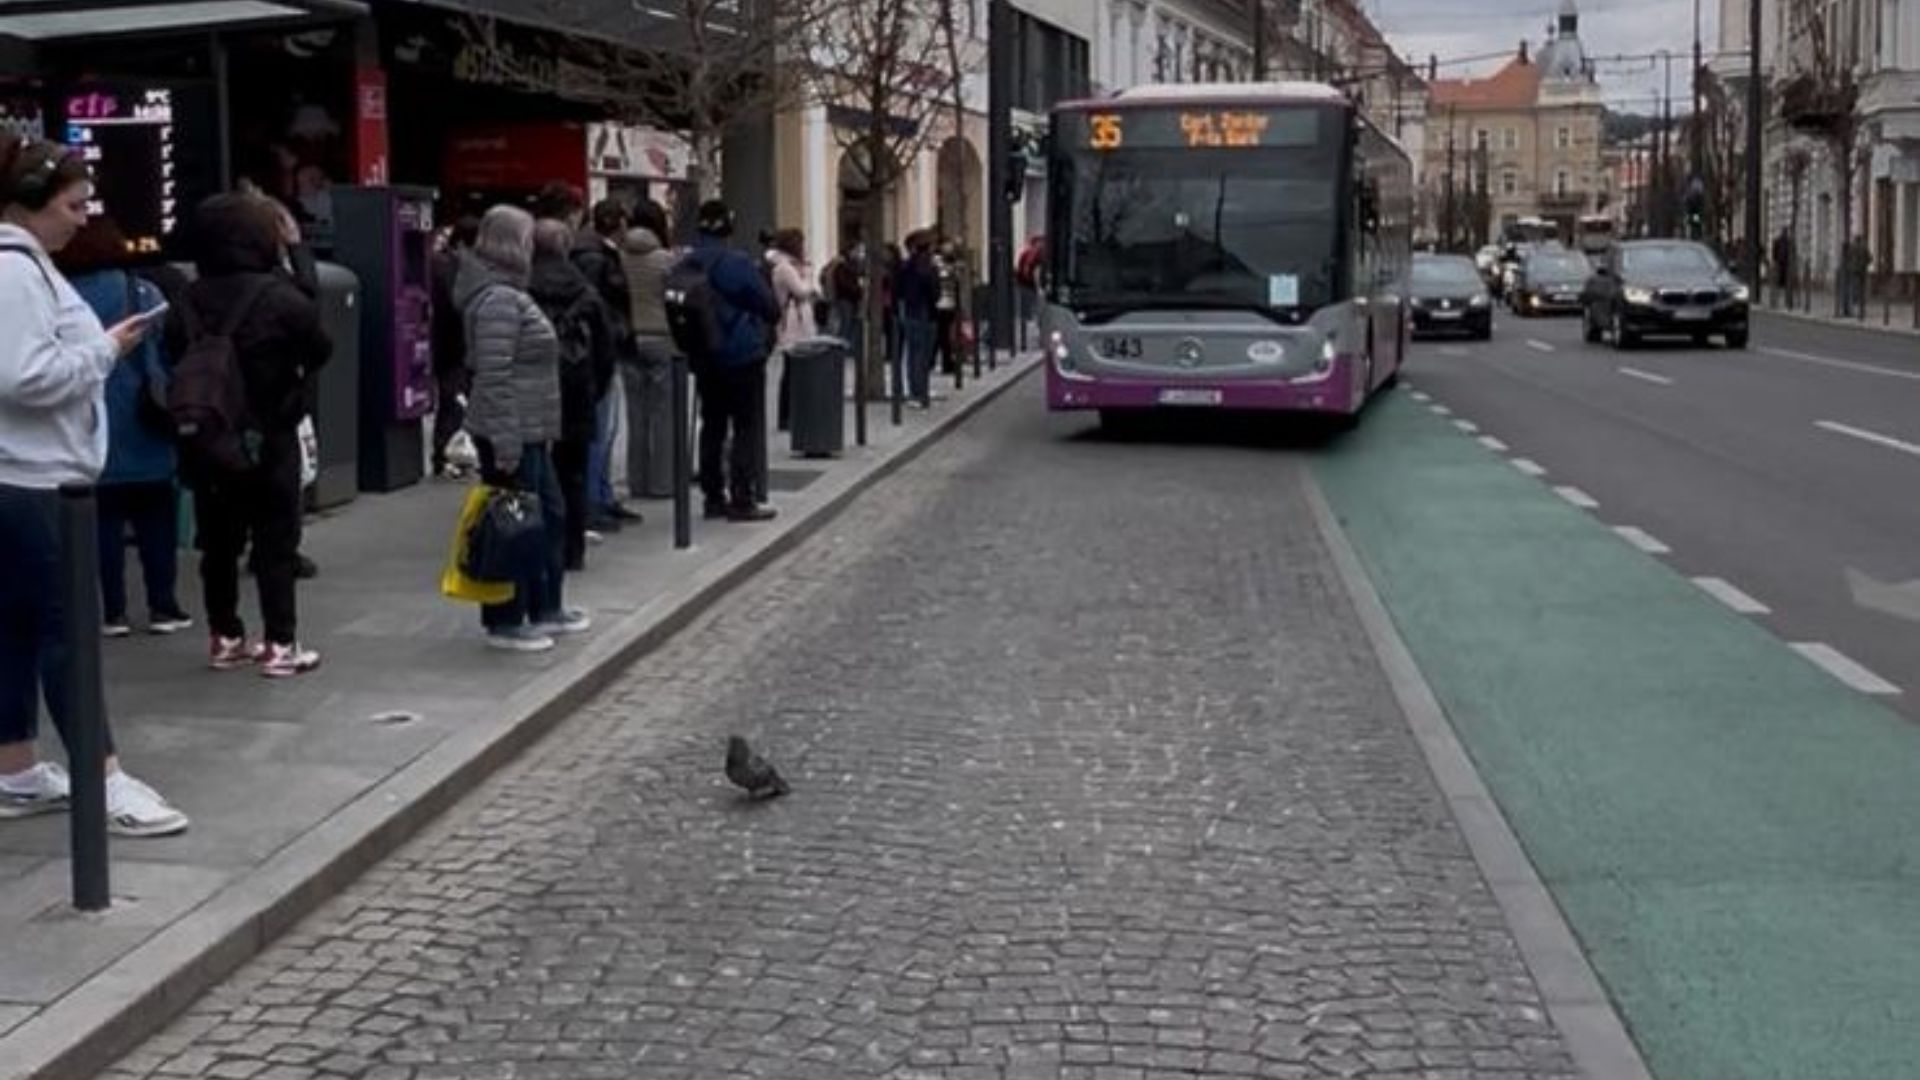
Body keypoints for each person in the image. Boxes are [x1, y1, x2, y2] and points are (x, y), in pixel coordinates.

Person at [0, 135, 189, 836]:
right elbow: (25, 377)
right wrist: (108, 349)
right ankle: (103, 781)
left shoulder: (24, 269)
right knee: (64, 632)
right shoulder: (17, 274)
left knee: (18, 629)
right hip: (38, 476)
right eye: (74, 205)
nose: (83, 218)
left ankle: (16, 765)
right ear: (31, 205)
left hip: (21, 473)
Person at [172, 194, 330, 678]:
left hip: (210, 435)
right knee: (274, 543)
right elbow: (320, 347)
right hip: (270, 432)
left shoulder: (189, 298)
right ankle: (280, 643)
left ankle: (225, 637)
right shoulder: (279, 297)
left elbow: (174, 352)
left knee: (217, 542)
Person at [453, 205, 587, 652]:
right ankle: (508, 617)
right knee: (514, 523)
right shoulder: (498, 300)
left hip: (530, 427)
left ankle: (544, 606)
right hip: (510, 429)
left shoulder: (508, 294)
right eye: (527, 239)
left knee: (547, 515)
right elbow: (494, 374)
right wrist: (507, 440)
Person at [54, 218, 193, 639]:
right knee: (156, 520)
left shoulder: (60, 298)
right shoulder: (141, 292)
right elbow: (166, 350)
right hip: (143, 422)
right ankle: (163, 606)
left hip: (88, 425)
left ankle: (112, 610)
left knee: (103, 523)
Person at [682, 199, 780, 522]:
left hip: (704, 355)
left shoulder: (687, 262)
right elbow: (768, 305)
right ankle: (742, 497)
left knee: (712, 424)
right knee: (745, 426)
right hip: (740, 353)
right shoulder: (735, 263)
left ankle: (712, 497)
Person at [530, 217, 618, 573]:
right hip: (576, 386)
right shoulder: (584, 290)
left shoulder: (522, 286)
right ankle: (572, 548)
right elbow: (605, 346)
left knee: (533, 468)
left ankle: (535, 541)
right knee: (574, 471)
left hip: (534, 387)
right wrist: (596, 386)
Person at [570, 198, 638, 532]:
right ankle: (594, 501)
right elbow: (600, 307)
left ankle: (602, 495)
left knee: (605, 429)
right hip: (598, 353)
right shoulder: (596, 258)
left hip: (599, 349)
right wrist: (617, 333)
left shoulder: (588, 252)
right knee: (600, 429)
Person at [620, 202, 676, 500]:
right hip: (661, 337)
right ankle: (663, 482)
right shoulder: (665, 260)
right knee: (663, 415)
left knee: (635, 414)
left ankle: (637, 481)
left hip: (630, 338)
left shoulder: (619, 257)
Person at [430, 215, 480, 479]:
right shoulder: (449, 266)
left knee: (456, 399)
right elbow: (454, 304)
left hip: (451, 342)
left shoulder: (446, 264)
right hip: (453, 343)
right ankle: (446, 453)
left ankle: (451, 452)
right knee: (454, 399)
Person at [768, 228, 819, 431]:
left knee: (794, 370)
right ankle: (787, 416)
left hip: (796, 320)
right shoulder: (785, 268)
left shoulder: (790, 266)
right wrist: (808, 281)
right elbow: (801, 290)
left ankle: (791, 414)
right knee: (792, 370)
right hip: (791, 323)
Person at [895, 233, 940, 409]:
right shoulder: (929, 268)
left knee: (913, 353)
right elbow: (934, 292)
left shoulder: (905, 267)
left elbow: (897, 289)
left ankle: (915, 392)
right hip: (925, 312)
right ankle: (921, 391)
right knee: (923, 354)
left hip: (909, 310)